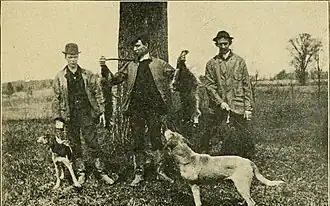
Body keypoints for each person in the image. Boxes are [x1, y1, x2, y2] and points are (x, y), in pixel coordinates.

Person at [100, 33, 198, 186]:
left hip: (155, 108)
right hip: (136, 108)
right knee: (138, 140)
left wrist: (181, 63)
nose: (134, 49)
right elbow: (113, 80)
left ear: (146, 46)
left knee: (156, 139)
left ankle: (160, 172)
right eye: (134, 46)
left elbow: (177, 77)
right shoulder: (131, 66)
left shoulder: (159, 64)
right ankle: (139, 173)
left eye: (137, 45)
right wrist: (104, 67)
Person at [52, 43, 117, 186]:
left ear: (78, 57)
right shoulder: (60, 77)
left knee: (93, 142)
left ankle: (102, 172)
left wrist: (100, 111)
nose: (72, 60)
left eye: (75, 57)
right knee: (75, 145)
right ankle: (80, 173)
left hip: (86, 114)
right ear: (65, 57)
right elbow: (56, 98)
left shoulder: (88, 74)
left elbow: (98, 92)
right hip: (70, 116)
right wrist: (58, 118)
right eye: (70, 57)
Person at [202, 30, 255, 159]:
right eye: (220, 44)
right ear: (216, 45)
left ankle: (245, 165)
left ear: (229, 43)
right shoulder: (211, 64)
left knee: (243, 138)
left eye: (225, 43)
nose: (223, 46)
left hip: (238, 106)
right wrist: (220, 102)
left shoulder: (239, 62)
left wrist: (248, 108)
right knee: (215, 136)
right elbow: (210, 87)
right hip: (219, 108)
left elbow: (246, 86)